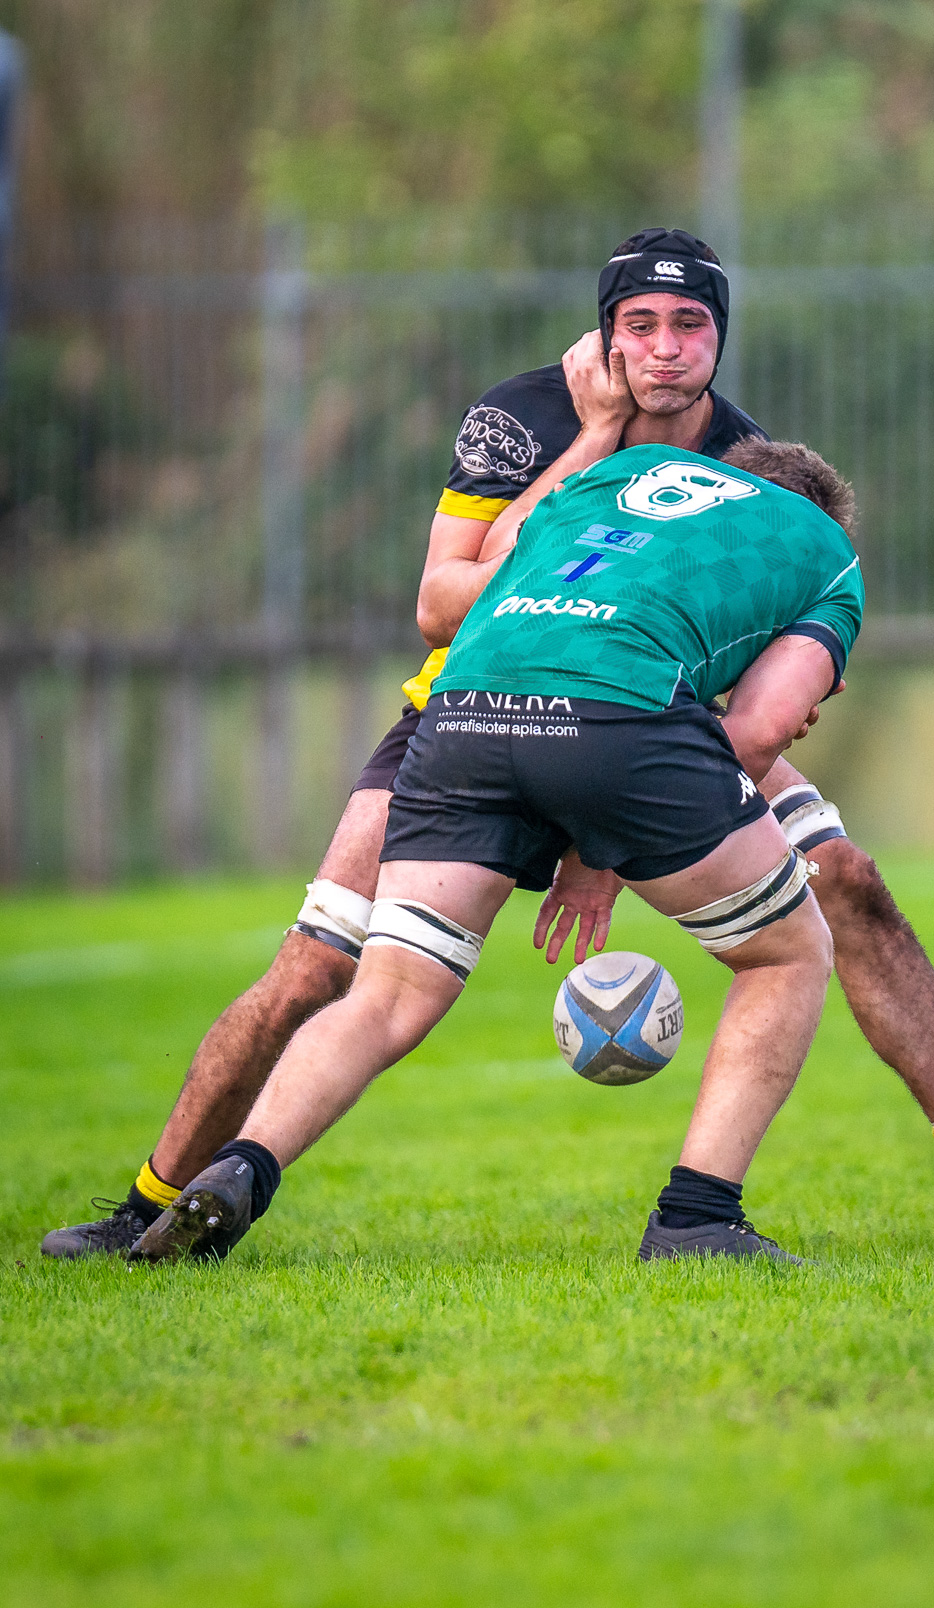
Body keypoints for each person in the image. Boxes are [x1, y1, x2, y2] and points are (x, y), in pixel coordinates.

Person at [42, 229, 934, 1259]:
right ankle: (148, 1205)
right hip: (464, 699)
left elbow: (735, 697)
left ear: (719, 338)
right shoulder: (520, 420)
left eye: (689, 326)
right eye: (641, 324)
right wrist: (597, 445)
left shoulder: (749, 455)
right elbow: (439, 603)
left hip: (638, 713)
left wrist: (609, 829)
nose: (664, 348)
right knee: (313, 970)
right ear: (605, 332)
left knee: (845, 875)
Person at [129, 436, 869, 1264]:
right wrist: (611, 838)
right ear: (817, 510)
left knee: (388, 995)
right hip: (615, 717)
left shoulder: (618, 474)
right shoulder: (825, 551)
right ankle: (696, 1218)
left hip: (460, 713)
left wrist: (597, 841)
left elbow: (504, 566)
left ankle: (237, 1171)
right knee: (788, 954)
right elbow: (761, 728)